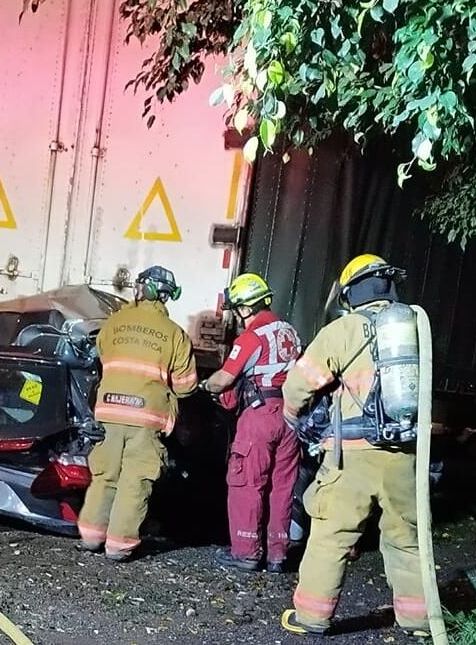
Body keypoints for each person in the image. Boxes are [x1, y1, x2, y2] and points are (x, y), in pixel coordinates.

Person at [280, 254, 429, 637]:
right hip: (405, 455)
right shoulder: (414, 327)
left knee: (332, 535)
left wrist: (293, 415)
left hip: (353, 455)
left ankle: (312, 616)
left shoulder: (343, 330)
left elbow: (299, 385)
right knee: (407, 540)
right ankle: (418, 621)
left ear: (351, 293)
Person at [76, 265, 198, 561]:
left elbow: (103, 359)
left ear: (142, 289)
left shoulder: (114, 322)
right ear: (166, 296)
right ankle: (118, 546)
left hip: (108, 412)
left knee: (105, 474)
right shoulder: (174, 335)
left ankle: (91, 537)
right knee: (135, 479)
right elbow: (186, 386)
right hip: (146, 419)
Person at [202, 273, 302, 573]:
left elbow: (224, 381)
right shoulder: (290, 332)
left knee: (246, 483)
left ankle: (246, 551)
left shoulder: (251, 337)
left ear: (245, 307)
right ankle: (277, 555)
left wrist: (206, 385)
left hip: (260, 416)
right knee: (282, 487)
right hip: (292, 416)